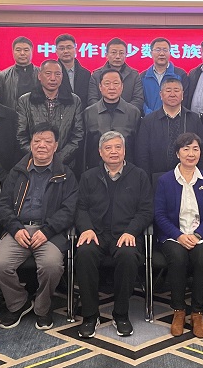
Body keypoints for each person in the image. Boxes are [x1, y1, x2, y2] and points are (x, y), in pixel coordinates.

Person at [0, 123, 77, 330]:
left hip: (49, 232)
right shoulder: (17, 172)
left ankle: (42, 308)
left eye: (47, 141)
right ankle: (18, 303)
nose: (42, 145)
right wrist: (15, 229)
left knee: (51, 266)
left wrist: (47, 231)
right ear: (30, 144)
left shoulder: (66, 174)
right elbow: (3, 205)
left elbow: (69, 210)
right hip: (18, 230)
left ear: (56, 146)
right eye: (37, 141)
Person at [75, 131, 153, 338]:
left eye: (118, 147)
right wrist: (87, 228)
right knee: (84, 253)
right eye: (108, 148)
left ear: (125, 151)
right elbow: (80, 208)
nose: (114, 152)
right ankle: (90, 315)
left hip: (125, 233)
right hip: (96, 233)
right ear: (100, 152)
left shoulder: (139, 175)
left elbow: (146, 210)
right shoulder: (88, 177)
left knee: (128, 256)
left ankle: (121, 314)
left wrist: (131, 231)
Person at [153, 133, 203, 338]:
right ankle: (179, 310)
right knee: (178, 257)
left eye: (195, 149)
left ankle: (198, 313)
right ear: (177, 153)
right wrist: (179, 235)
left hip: (201, 235)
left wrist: (198, 234)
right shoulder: (165, 180)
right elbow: (159, 215)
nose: (191, 154)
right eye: (186, 149)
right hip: (174, 235)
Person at [16, 60, 84, 169]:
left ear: (62, 76)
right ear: (39, 76)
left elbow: (78, 136)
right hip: (33, 164)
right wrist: (40, 157)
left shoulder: (74, 101)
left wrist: (58, 159)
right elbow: (21, 136)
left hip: (65, 166)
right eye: (48, 73)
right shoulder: (25, 101)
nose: (53, 78)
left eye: (57, 74)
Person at [135, 77, 203, 175]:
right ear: (161, 95)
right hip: (157, 177)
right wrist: (146, 179)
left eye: (176, 90)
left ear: (182, 95)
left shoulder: (193, 119)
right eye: (168, 91)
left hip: (189, 177)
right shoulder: (148, 121)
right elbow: (142, 155)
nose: (172, 94)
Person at [82, 69, 140, 171]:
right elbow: (84, 149)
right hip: (95, 171)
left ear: (122, 86)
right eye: (107, 83)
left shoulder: (133, 113)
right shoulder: (89, 113)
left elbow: (139, 147)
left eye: (116, 83)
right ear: (100, 87)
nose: (112, 87)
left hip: (127, 171)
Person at [87, 38, 144, 110]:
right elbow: (92, 100)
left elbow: (138, 100)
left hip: (128, 115)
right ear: (106, 55)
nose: (117, 56)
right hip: (100, 115)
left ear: (126, 55)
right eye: (113, 52)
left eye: (121, 53)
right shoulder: (96, 75)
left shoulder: (134, 75)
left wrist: (123, 113)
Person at [141, 37, 188, 116]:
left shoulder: (180, 74)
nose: (162, 53)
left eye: (165, 50)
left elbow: (185, 99)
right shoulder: (143, 76)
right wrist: (151, 116)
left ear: (170, 53)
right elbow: (140, 100)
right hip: (149, 119)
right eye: (158, 50)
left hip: (174, 118)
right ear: (151, 53)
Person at [0, 36, 39, 109]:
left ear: (32, 51)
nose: (22, 53)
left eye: (26, 50)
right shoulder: (3, 75)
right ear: (13, 52)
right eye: (18, 50)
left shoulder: (41, 74)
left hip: (36, 115)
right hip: (12, 115)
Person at [55, 33, 92, 109]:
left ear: (76, 50)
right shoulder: (52, 74)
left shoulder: (86, 74)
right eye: (61, 48)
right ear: (56, 51)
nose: (66, 51)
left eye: (69, 47)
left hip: (82, 114)